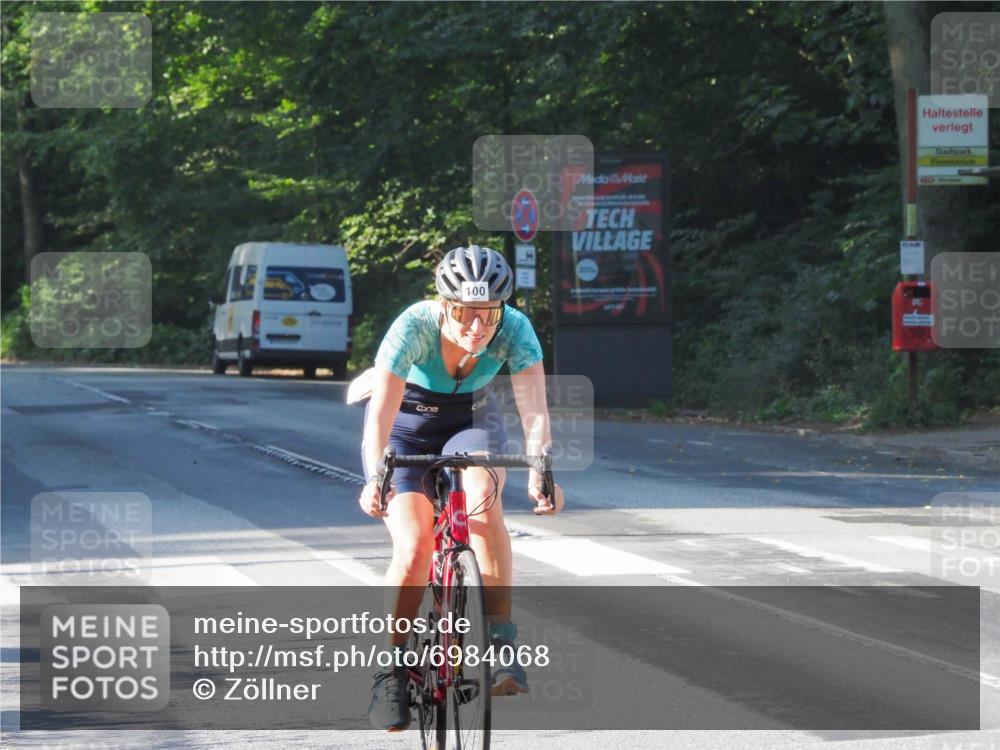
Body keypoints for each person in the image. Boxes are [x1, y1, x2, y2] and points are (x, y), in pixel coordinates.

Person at [354, 244, 566, 731]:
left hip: (473, 419)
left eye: (488, 314)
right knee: (414, 547)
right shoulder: (413, 326)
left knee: (482, 510)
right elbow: (380, 416)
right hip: (407, 426)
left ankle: (502, 644)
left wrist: (542, 472)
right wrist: (375, 477)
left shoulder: (515, 330)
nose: (477, 327)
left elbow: (535, 413)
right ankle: (391, 669)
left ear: (502, 309)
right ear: (444, 305)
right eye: (464, 313)